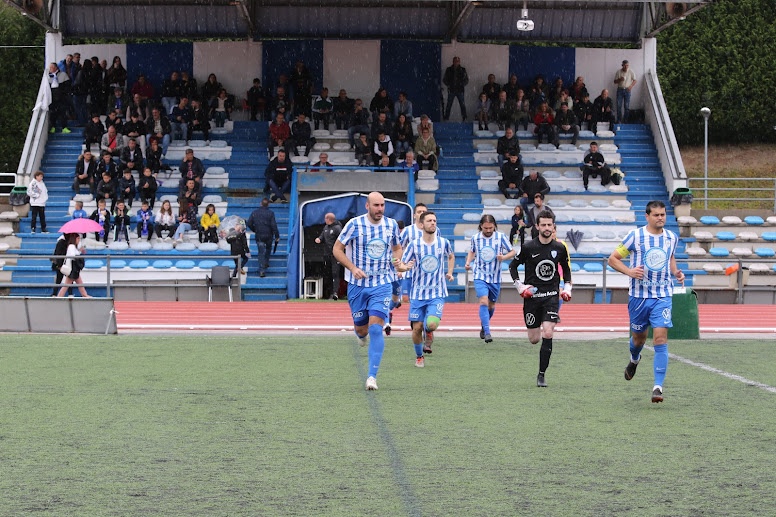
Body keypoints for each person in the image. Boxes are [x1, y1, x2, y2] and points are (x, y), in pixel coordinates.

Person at [608, 200, 684, 403]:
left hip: (663, 295)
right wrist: (630, 272)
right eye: (656, 215)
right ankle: (634, 359)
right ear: (647, 216)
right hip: (639, 297)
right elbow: (613, 259)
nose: (660, 218)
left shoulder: (671, 237)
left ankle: (658, 387)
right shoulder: (635, 236)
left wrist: (676, 272)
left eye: (663, 214)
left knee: (660, 338)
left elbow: (670, 257)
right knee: (638, 340)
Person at [332, 192, 408, 391]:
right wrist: (352, 268)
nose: (380, 209)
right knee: (362, 329)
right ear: (367, 206)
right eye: (376, 205)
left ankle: (372, 377)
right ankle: (360, 334)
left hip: (382, 283)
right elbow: (337, 249)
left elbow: (397, 248)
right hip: (357, 285)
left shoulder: (391, 225)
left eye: (382, 205)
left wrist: (397, 261)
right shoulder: (354, 225)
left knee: (376, 329)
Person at [509, 210, 572, 387]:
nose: (546, 228)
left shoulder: (560, 248)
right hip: (532, 298)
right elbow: (513, 266)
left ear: (553, 226)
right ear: (537, 226)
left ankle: (541, 375)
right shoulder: (528, 247)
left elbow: (566, 269)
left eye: (549, 225)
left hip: (551, 296)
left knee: (548, 332)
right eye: (543, 225)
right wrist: (520, 286)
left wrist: (567, 287)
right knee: (534, 339)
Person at [399, 211, 454, 368]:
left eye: (434, 220)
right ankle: (419, 356)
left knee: (431, 324)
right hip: (418, 293)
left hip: (437, 292)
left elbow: (451, 256)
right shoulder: (414, 245)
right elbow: (402, 264)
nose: (433, 223)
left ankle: (428, 330)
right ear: (422, 225)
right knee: (416, 328)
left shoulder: (443, 243)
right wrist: (405, 267)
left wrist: (450, 272)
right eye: (429, 221)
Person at [464, 214, 515, 343]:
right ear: (481, 226)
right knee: (483, 301)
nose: (488, 230)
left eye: (490, 228)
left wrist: (503, 258)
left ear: (494, 227)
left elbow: (512, 251)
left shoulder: (500, 237)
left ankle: (484, 325)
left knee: (491, 305)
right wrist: (468, 262)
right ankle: (487, 332)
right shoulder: (476, 238)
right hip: (480, 274)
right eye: (485, 228)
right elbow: (472, 251)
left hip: (495, 276)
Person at [246, 197, 280, 278]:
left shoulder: (255, 212)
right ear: (268, 204)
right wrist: (277, 236)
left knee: (261, 252)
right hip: (269, 235)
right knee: (268, 249)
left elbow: (249, 223)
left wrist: (254, 229)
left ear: (260, 204)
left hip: (259, 235)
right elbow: (273, 225)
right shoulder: (270, 213)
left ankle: (262, 270)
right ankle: (266, 262)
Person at [314, 212, 343, 300]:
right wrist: (319, 239)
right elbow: (322, 236)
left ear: (328, 219)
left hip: (336, 255)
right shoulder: (326, 228)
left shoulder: (337, 228)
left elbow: (342, 239)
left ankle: (335, 293)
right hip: (327, 254)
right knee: (328, 274)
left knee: (335, 273)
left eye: (325, 218)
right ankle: (329, 292)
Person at [56, 233, 91, 298]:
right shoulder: (71, 246)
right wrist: (78, 253)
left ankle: (84, 295)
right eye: (78, 238)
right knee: (67, 285)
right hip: (72, 269)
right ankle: (59, 296)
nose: (79, 240)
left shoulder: (72, 246)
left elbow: (74, 254)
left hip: (74, 269)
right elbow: (73, 256)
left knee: (78, 283)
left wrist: (79, 251)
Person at [47, 62, 72, 134]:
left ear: (56, 68)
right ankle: (53, 127)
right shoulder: (48, 76)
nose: (50, 69)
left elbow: (68, 86)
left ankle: (64, 127)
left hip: (62, 98)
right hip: (53, 98)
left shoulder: (63, 75)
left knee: (63, 112)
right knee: (53, 113)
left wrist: (63, 93)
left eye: (51, 67)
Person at [443, 56, 469, 121]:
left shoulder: (463, 70)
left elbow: (466, 80)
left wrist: (461, 84)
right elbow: (445, 79)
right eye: (455, 61)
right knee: (449, 104)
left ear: (459, 62)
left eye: (457, 61)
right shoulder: (449, 69)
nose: (456, 62)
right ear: (453, 62)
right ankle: (446, 118)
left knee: (462, 104)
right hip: (451, 89)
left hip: (460, 90)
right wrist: (449, 85)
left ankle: (464, 118)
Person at [614, 59, 637, 124]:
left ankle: (625, 120)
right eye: (625, 66)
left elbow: (635, 80)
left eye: (627, 65)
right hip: (620, 89)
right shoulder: (619, 72)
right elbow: (615, 81)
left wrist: (631, 86)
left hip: (627, 90)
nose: (626, 67)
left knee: (626, 106)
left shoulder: (631, 71)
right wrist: (620, 79)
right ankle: (619, 120)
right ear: (622, 65)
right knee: (619, 105)